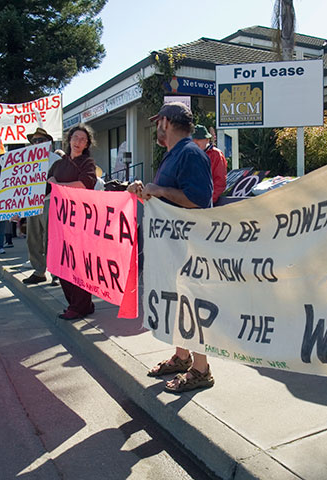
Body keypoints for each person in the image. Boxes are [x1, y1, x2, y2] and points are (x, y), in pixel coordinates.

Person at [127, 102, 214, 393]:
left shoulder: (190, 153)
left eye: (157, 122)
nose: (156, 128)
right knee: (178, 303)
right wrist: (145, 195)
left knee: (190, 303)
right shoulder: (173, 155)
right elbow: (167, 205)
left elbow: (198, 200)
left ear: (165, 122)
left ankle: (201, 369)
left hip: (188, 247)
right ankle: (182, 356)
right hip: (172, 245)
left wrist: (159, 190)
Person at [49, 124, 97, 319]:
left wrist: (59, 186)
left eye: (83, 140)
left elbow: (85, 184)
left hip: (79, 221)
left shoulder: (87, 163)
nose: (78, 142)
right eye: (75, 138)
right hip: (59, 221)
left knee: (77, 264)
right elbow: (47, 183)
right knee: (62, 264)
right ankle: (78, 304)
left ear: (87, 144)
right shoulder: (59, 164)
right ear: (69, 140)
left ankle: (79, 306)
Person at [22, 127, 61, 285]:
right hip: (32, 202)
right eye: (34, 141)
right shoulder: (26, 160)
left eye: (40, 140)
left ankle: (56, 272)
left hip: (49, 200)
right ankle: (39, 271)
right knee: (33, 237)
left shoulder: (56, 160)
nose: (37, 143)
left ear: (48, 142)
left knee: (51, 238)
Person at [192, 124, 227, 205]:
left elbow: (220, 182)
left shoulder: (216, 154)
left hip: (207, 204)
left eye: (198, 139)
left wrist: (208, 201)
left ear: (207, 140)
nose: (195, 142)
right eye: (193, 139)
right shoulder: (189, 154)